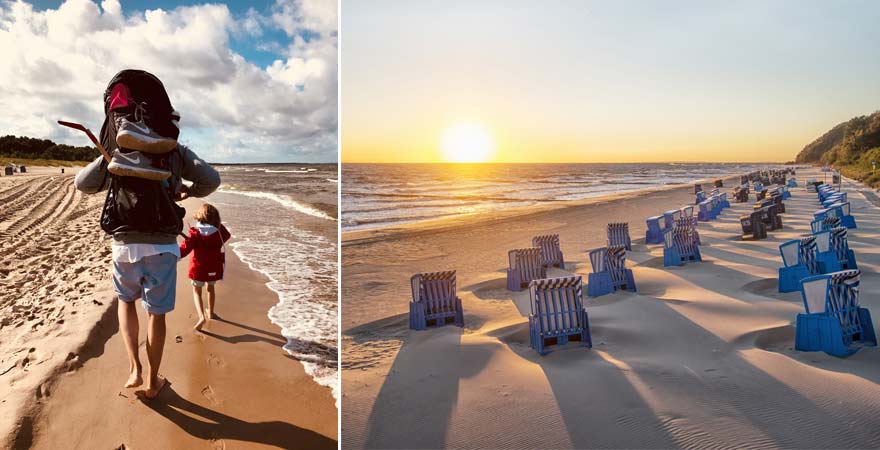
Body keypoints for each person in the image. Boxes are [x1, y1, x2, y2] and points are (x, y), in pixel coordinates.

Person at [74, 70, 220, 399]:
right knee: (156, 314)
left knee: (126, 302)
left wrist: (109, 159)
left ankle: (134, 368)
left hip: (124, 244)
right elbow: (211, 180)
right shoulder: (173, 150)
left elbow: (82, 185)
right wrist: (186, 191)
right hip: (163, 247)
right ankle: (153, 380)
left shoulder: (116, 153)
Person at [179, 203, 231, 331]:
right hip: (213, 268)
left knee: (197, 291)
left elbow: (184, 250)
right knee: (210, 288)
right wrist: (217, 224)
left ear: (200, 217)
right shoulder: (219, 233)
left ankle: (201, 316)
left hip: (197, 269)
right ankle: (211, 313)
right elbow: (227, 235)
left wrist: (173, 254)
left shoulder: (195, 233)